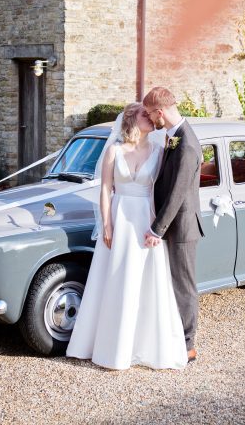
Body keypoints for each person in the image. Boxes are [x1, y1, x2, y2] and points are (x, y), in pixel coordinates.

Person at [66, 102, 188, 370]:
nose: (151, 119)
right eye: (145, 115)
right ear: (132, 119)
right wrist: (107, 225)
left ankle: (141, 346)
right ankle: (111, 348)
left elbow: (164, 188)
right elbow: (105, 190)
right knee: (116, 279)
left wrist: (159, 227)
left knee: (144, 282)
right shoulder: (113, 150)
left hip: (145, 218)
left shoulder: (158, 150)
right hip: (120, 218)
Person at [143, 87, 204, 363]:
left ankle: (188, 344)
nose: (148, 118)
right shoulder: (173, 136)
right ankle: (174, 336)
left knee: (183, 285)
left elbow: (178, 193)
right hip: (172, 225)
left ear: (160, 112)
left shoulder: (187, 143)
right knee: (172, 283)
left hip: (181, 227)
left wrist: (157, 229)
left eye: (149, 114)